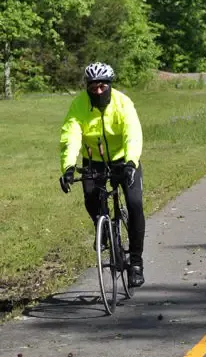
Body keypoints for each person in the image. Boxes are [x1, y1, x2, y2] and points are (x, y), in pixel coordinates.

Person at [59, 62, 146, 288]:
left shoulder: (123, 103)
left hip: (124, 159)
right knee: (90, 199)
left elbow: (133, 134)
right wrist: (68, 168)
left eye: (102, 86)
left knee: (135, 204)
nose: (98, 91)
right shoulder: (79, 105)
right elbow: (71, 136)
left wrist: (130, 162)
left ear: (109, 85)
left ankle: (136, 263)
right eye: (93, 87)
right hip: (94, 161)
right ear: (87, 87)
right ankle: (104, 230)